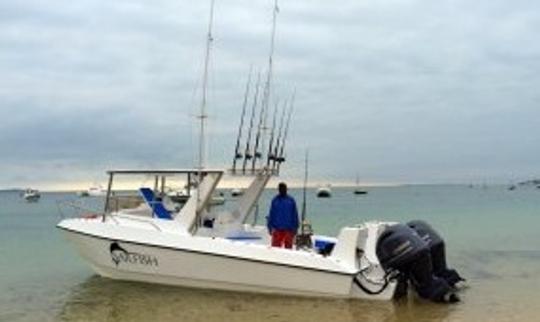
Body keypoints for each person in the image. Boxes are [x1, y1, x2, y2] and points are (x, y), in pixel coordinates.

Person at [267, 182, 299, 249]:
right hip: (277, 229)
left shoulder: (291, 200)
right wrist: (270, 227)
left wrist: (295, 228)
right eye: (281, 189)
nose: (282, 191)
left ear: (286, 189)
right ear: (279, 190)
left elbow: (295, 215)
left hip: (289, 230)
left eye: (284, 189)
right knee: (275, 249)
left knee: (288, 250)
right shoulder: (275, 200)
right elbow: (271, 214)